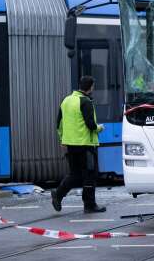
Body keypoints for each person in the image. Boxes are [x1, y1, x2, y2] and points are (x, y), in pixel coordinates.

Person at [51, 75, 106, 213]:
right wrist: (100, 128)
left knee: (75, 174)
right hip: (85, 145)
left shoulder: (66, 100)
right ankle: (89, 205)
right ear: (91, 87)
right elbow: (91, 125)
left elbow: (59, 124)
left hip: (70, 144)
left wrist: (63, 139)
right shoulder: (85, 101)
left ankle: (58, 195)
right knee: (90, 175)